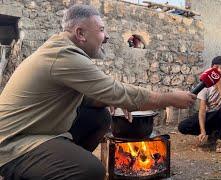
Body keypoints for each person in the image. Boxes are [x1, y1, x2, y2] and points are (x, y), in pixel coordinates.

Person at [0, 4, 196, 179]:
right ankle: (54, 169)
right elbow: (117, 91)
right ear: (81, 33)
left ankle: (58, 164)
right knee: (91, 170)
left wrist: (107, 100)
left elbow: (87, 97)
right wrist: (168, 98)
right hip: (12, 144)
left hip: (38, 131)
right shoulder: (64, 55)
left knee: (99, 117)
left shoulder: (61, 49)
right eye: (101, 30)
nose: (107, 36)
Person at [178, 56, 221, 152]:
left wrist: (218, 82)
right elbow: (202, 110)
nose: (219, 70)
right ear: (211, 69)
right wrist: (202, 131)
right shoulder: (205, 85)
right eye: (216, 68)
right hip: (210, 116)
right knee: (183, 126)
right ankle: (212, 134)